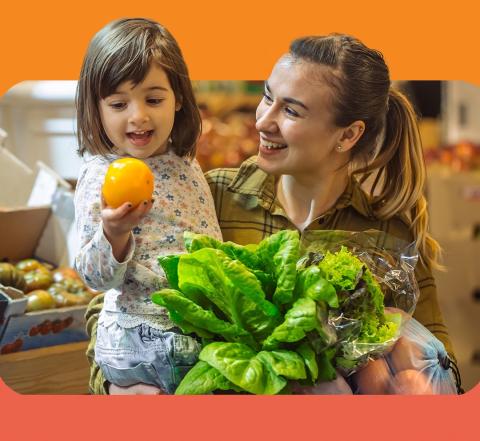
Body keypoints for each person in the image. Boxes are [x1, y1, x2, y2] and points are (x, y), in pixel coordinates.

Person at [85, 33, 460, 394]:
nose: (263, 121)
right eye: (268, 97)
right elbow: (112, 302)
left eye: (291, 110)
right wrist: (115, 387)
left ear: (347, 136)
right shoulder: (210, 194)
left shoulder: (388, 234)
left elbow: (440, 359)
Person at [74, 18, 222, 395]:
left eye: (154, 99)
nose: (138, 115)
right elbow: (95, 279)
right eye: (119, 103)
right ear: (98, 108)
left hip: (193, 332)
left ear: (180, 100)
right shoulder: (99, 176)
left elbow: (209, 244)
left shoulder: (186, 165)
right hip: (136, 336)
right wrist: (114, 232)